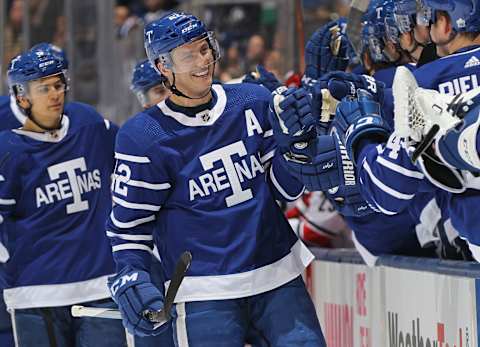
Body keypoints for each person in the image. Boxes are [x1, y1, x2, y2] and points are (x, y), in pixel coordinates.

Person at [106, 12, 325, 346]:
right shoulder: (144, 137)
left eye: (204, 49)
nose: (203, 61)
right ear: (164, 67)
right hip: (203, 293)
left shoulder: (252, 101)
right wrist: (130, 272)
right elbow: (129, 226)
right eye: (188, 55)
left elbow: (284, 191)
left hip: (277, 273)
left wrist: (295, 150)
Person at [0, 45, 127, 346]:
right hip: (37, 293)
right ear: (22, 96)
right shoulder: (7, 151)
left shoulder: (89, 123)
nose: (55, 94)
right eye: (44, 88)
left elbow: (136, 160)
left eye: (58, 85)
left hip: (100, 285)